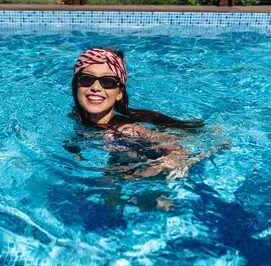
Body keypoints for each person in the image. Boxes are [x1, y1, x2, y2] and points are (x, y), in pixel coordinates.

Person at [71, 47, 214, 179]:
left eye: (108, 81)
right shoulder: (75, 117)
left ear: (119, 93)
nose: (95, 88)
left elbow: (179, 151)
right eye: (87, 79)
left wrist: (155, 168)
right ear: (76, 85)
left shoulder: (128, 130)